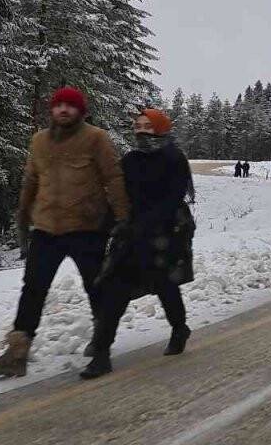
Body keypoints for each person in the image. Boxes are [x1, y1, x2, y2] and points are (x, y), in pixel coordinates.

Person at [0, 87, 130, 377]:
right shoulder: (39, 141)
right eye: (59, 105)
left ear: (81, 110)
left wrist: (123, 220)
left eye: (70, 106)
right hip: (46, 229)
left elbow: (114, 179)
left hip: (87, 229)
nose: (63, 110)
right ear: (52, 110)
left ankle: (101, 348)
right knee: (33, 290)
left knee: (96, 287)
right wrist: (23, 217)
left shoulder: (96, 138)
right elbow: (30, 181)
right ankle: (17, 354)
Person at [81, 108, 195, 379]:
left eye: (148, 125)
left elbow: (173, 199)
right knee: (114, 289)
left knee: (165, 286)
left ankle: (179, 328)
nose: (141, 129)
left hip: (164, 236)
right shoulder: (131, 159)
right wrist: (108, 223)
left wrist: (146, 224)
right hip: (132, 236)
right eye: (138, 125)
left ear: (161, 128)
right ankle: (101, 354)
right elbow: (121, 195)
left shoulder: (173, 158)